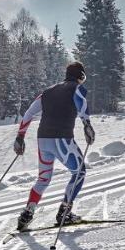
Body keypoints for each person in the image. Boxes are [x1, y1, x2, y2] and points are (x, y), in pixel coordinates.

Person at [12, 61, 96, 230]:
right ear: (81, 76)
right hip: (62, 138)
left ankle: (27, 213)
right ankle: (64, 213)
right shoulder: (76, 88)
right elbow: (82, 104)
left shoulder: (48, 91)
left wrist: (20, 136)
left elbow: (29, 113)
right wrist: (87, 124)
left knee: (43, 178)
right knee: (79, 172)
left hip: (43, 139)